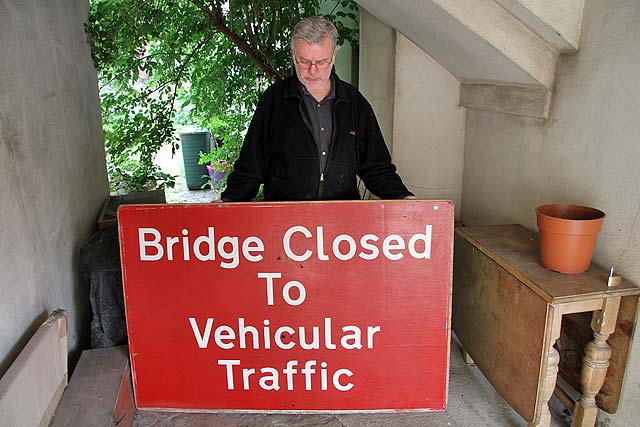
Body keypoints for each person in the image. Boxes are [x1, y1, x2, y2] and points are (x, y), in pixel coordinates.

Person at [221, 16, 415, 202]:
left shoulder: (354, 103)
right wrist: (228, 201)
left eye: (321, 62)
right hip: (284, 221)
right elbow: (250, 167)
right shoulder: (273, 101)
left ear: (333, 57)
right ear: (293, 55)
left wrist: (402, 197)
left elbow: (377, 168)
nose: (312, 71)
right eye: (304, 61)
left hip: (342, 223)